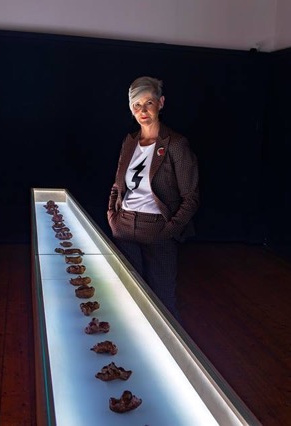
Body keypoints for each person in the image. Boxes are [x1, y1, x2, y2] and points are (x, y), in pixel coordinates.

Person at [107, 76, 199, 319]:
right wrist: (113, 217)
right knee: (127, 296)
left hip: (158, 230)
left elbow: (191, 197)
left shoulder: (176, 144)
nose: (143, 111)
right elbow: (117, 186)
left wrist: (168, 230)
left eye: (148, 102)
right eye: (136, 105)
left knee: (162, 300)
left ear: (161, 102)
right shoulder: (129, 142)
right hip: (124, 227)